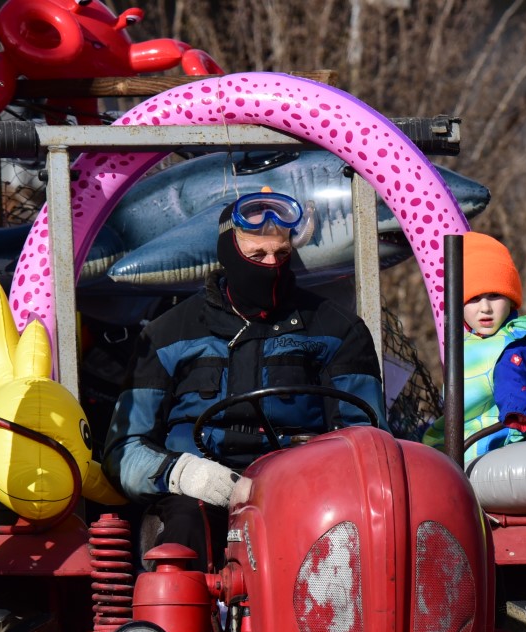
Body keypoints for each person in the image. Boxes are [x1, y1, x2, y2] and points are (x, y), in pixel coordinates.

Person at [103, 190, 384, 559]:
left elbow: (367, 440)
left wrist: (315, 475)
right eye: (257, 256)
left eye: (281, 255)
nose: (271, 265)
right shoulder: (167, 334)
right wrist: (182, 473)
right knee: (182, 532)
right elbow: (122, 451)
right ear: (229, 254)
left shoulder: (337, 329)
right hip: (197, 493)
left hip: (303, 493)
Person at [423, 234, 526, 462]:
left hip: (499, 440)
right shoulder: (465, 343)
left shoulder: (514, 342)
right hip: (459, 441)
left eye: (494, 296)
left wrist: (517, 409)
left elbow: (511, 376)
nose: (485, 308)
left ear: (511, 299)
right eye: (474, 298)